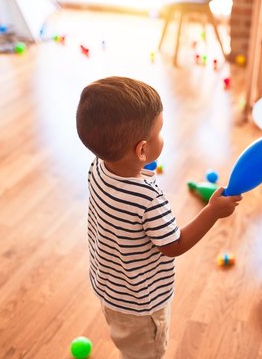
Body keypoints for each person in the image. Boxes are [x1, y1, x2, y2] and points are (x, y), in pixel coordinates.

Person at [76, 76, 242, 359]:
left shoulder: (99, 167)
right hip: (142, 304)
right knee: (146, 353)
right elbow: (173, 245)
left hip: (112, 288)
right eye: (160, 131)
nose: (163, 137)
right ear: (142, 150)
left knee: (129, 345)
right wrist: (213, 211)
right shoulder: (147, 199)